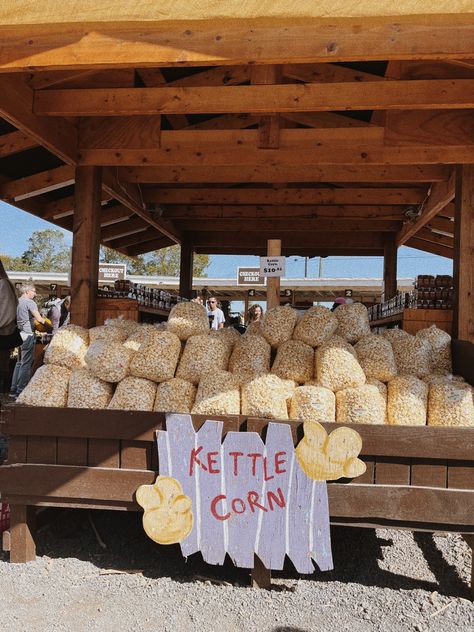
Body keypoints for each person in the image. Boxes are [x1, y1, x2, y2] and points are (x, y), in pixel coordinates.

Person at [10, 284, 48, 397]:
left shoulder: (16, 301)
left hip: (17, 333)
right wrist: (50, 327)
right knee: (26, 363)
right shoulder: (29, 302)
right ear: (27, 292)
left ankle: (13, 388)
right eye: (34, 291)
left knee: (19, 362)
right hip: (27, 333)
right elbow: (39, 319)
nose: (35, 294)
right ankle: (20, 390)